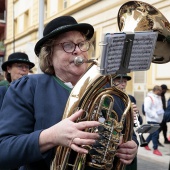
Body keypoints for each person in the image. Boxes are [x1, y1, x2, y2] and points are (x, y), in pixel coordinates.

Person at [0, 16, 138, 170]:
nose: (78, 50)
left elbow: (127, 135)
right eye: (67, 45)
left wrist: (130, 148)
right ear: (49, 55)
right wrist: (51, 136)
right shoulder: (29, 87)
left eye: (81, 44)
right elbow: (4, 150)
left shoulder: (109, 92)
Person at [144, 85, 164, 156]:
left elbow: (158, 107)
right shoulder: (149, 98)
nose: (161, 92)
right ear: (156, 90)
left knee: (152, 133)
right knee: (155, 134)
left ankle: (145, 144)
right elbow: (146, 109)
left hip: (158, 119)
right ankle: (155, 149)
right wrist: (154, 115)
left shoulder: (159, 98)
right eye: (160, 91)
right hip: (152, 119)